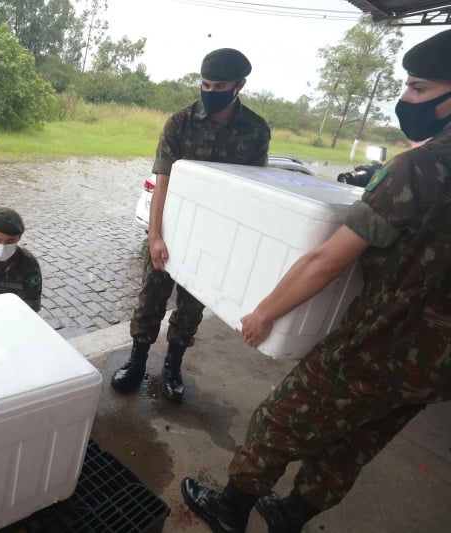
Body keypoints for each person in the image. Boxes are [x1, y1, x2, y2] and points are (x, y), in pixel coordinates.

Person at [181, 29, 451, 533]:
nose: (405, 98)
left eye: (417, 88)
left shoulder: (420, 167)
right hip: (437, 370)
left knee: (278, 422)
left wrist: (264, 312)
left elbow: (327, 260)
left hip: (379, 346)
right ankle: (291, 515)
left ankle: (229, 509)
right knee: (356, 444)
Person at [111, 48, 270, 403]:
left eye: (220, 85)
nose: (210, 91)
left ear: (239, 85)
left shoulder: (256, 130)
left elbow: (253, 190)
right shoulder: (180, 123)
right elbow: (162, 182)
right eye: (205, 84)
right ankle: (137, 360)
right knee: (151, 297)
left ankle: (172, 366)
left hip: (213, 238)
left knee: (192, 305)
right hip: (172, 228)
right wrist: (155, 237)